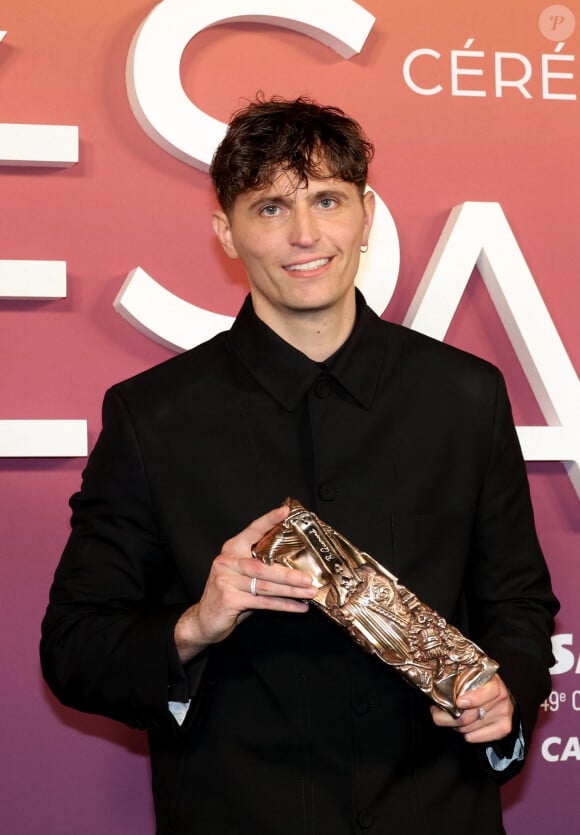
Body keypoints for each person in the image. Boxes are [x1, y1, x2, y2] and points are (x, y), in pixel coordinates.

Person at [41, 96, 559, 835]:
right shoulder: (153, 416)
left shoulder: (465, 395)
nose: (306, 233)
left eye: (326, 199)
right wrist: (194, 624)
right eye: (271, 208)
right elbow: (73, 646)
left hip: (436, 812)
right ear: (227, 230)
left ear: (367, 212)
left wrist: (504, 690)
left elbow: (518, 603)